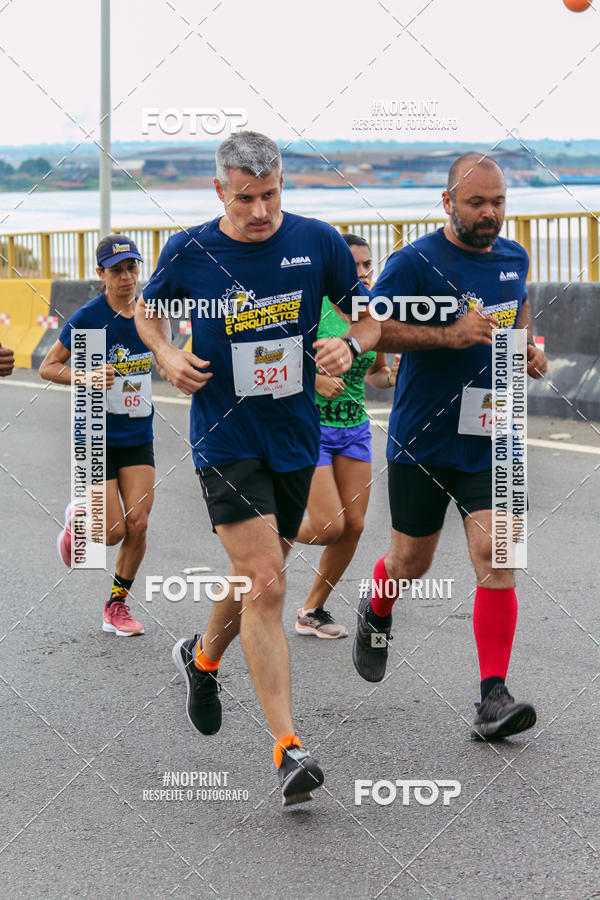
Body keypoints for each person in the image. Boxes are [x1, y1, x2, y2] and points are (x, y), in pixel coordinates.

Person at [135, 131, 380, 805]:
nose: (261, 211)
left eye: (270, 195)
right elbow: (147, 313)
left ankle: (202, 657)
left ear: (282, 185)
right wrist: (166, 355)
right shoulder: (189, 250)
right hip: (225, 437)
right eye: (245, 199)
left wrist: (349, 343)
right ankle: (288, 748)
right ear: (220, 190)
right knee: (267, 578)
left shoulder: (318, 241)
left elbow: (369, 319)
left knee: (255, 574)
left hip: (295, 437)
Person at [352, 154, 548, 741]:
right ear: (447, 203)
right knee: (411, 563)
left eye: (498, 203)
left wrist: (529, 351)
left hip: (495, 434)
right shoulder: (414, 262)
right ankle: (377, 606)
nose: (489, 214)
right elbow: (372, 330)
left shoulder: (514, 258)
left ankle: (493, 697)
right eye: (476, 203)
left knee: (499, 555)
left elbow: (517, 320)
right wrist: (450, 334)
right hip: (424, 438)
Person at [40, 235, 155, 637]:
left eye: (132, 267)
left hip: (137, 431)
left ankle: (116, 606)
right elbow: (48, 367)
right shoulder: (89, 317)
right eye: (116, 270)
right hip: (95, 433)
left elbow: (162, 355)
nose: (126, 277)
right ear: (100, 274)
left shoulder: (149, 313)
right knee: (113, 532)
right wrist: (86, 376)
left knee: (138, 524)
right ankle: (79, 520)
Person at [294, 233, 400, 639]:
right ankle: (259, 528)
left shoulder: (373, 313)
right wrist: (315, 380)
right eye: (352, 265)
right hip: (312, 427)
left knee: (353, 525)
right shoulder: (314, 306)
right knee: (328, 526)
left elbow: (375, 373)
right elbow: (275, 359)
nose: (361, 272)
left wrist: (393, 377)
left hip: (354, 428)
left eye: (367, 264)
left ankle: (311, 609)